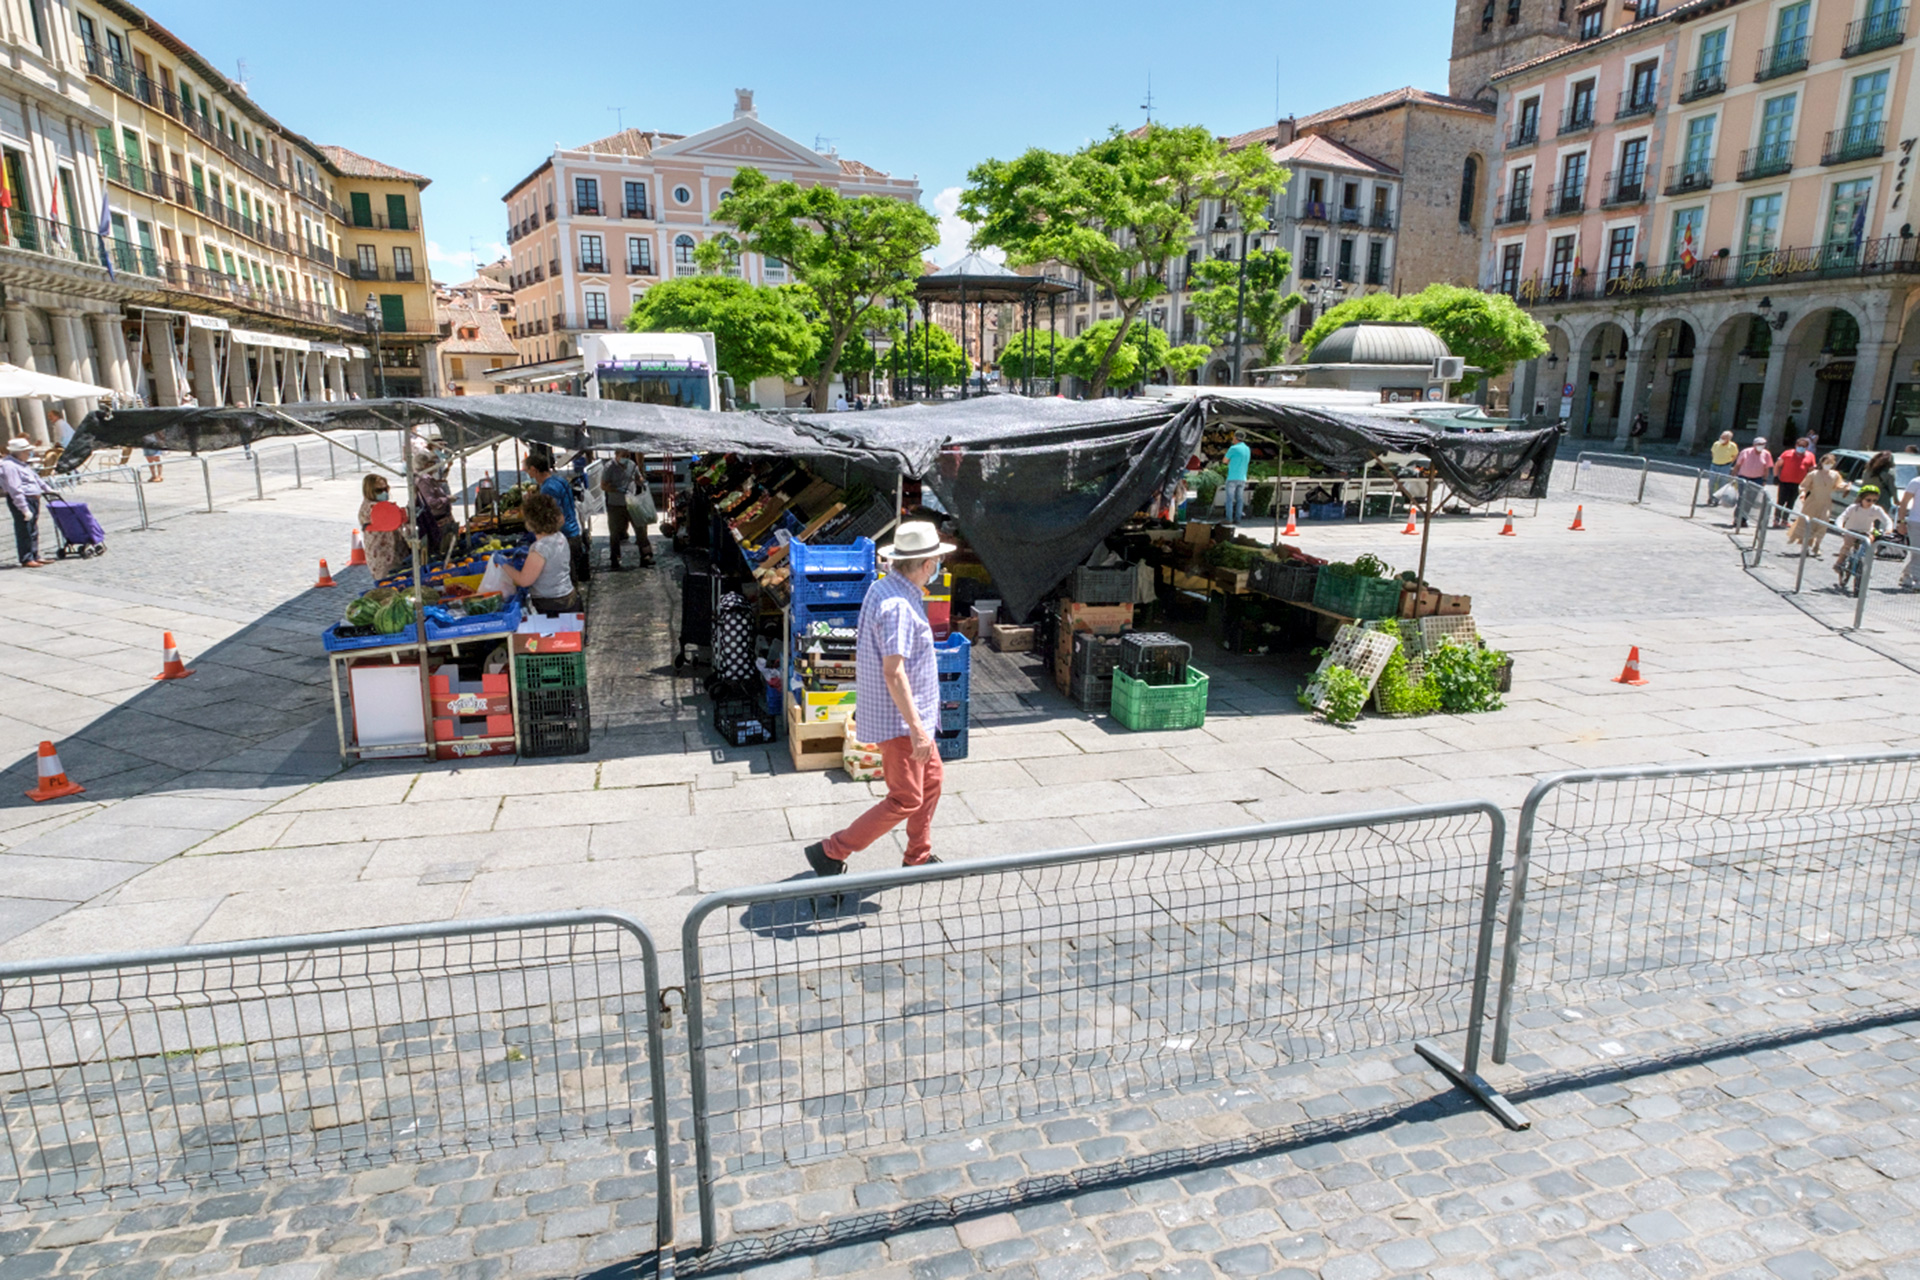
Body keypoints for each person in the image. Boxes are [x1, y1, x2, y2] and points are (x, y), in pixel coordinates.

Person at [804, 520, 954, 877]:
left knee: (932, 780)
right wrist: (917, 729)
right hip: (902, 721)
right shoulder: (899, 605)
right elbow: (894, 671)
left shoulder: (883, 588)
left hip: (909, 716)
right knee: (906, 798)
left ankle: (918, 854)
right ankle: (831, 850)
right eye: (936, 562)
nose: (937, 568)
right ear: (927, 564)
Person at [497, 490, 579, 614]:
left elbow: (524, 581)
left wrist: (503, 565)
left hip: (551, 603)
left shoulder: (540, 548)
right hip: (568, 595)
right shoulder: (559, 536)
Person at [523, 450, 588, 589]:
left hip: (566, 536)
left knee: (567, 583)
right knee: (572, 580)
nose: (527, 473)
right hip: (573, 532)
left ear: (534, 470)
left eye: (527, 470)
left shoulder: (548, 488)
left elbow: (554, 518)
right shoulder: (559, 480)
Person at [1, 438, 50, 567]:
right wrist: (24, 509)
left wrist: (47, 489)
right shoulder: (9, 466)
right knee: (24, 529)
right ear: (19, 452)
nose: (30, 453)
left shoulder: (22, 463)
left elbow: (36, 478)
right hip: (22, 500)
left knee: (33, 528)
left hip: (33, 498)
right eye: (27, 451)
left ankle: (35, 554)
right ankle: (26, 558)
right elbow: (15, 489)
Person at [599, 450, 652, 570]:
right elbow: (603, 485)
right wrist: (617, 489)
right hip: (615, 505)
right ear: (616, 455)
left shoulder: (632, 465)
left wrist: (642, 482)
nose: (626, 459)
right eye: (623, 456)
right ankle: (615, 558)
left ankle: (646, 556)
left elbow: (638, 478)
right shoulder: (609, 467)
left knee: (640, 529)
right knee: (615, 533)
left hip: (632, 503)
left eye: (627, 456)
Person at [1833, 485, 1892, 587]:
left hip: (1866, 532)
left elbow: (1887, 520)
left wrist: (1888, 529)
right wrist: (1840, 527)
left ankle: (1864, 567)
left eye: (1874, 500)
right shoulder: (1853, 508)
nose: (1871, 503)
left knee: (1869, 546)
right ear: (1861, 498)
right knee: (1848, 544)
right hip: (1851, 530)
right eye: (1868, 500)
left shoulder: (1876, 509)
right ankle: (1839, 563)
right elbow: (1842, 517)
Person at [1787, 454, 1845, 554]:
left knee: (1822, 524)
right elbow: (1804, 486)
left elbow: (1838, 485)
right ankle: (1805, 546)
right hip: (1813, 501)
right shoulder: (1813, 474)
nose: (1828, 465)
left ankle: (1817, 545)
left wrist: (1846, 487)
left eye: (1830, 463)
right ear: (1821, 463)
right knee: (1808, 523)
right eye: (1826, 463)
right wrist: (1803, 493)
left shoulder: (1835, 475)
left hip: (1826, 502)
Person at [357, 473, 408, 581]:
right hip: (382, 556)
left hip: (393, 553)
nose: (384, 492)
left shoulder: (382, 505)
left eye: (386, 488)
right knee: (386, 584)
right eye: (379, 490)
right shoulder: (372, 507)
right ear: (369, 491)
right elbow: (396, 518)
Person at [1731, 435, 1774, 530]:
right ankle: (1737, 518)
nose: (1761, 446)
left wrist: (1765, 480)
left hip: (1757, 479)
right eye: (1759, 444)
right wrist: (1733, 476)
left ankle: (1744, 518)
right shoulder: (1745, 452)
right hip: (1743, 478)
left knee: (1751, 500)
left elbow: (1767, 468)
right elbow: (1738, 465)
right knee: (1742, 498)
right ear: (1754, 444)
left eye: (1763, 444)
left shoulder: (1766, 454)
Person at [1774, 436, 1817, 528]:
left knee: (1791, 502)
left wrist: (1810, 483)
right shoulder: (1787, 454)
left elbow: (1811, 470)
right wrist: (1775, 476)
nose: (1801, 448)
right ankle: (1776, 519)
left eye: (1803, 446)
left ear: (1806, 447)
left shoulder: (1810, 456)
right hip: (1784, 482)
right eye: (1799, 445)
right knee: (1781, 501)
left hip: (1799, 483)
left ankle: (1785, 520)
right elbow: (1777, 465)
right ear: (1796, 445)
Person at [1221, 432, 1252, 525]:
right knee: (1239, 499)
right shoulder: (1247, 449)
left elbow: (1224, 461)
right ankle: (1238, 519)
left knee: (1229, 499)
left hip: (1232, 477)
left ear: (1235, 438)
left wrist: (1230, 461)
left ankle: (1229, 518)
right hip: (1242, 477)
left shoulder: (1233, 448)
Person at [1706, 431, 1738, 506]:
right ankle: (1711, 497)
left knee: (1722, 483)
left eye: (1724, 438)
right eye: (1721, 437)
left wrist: (1730, 463)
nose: (1722, 439)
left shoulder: (1732, 446)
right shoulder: (1716, 444)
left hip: (1725, 466)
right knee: (1711, 482)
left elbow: (1735, 455)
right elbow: (1713, 453)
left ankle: (1717, 500)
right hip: (1714, 465)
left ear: (1728, 439)